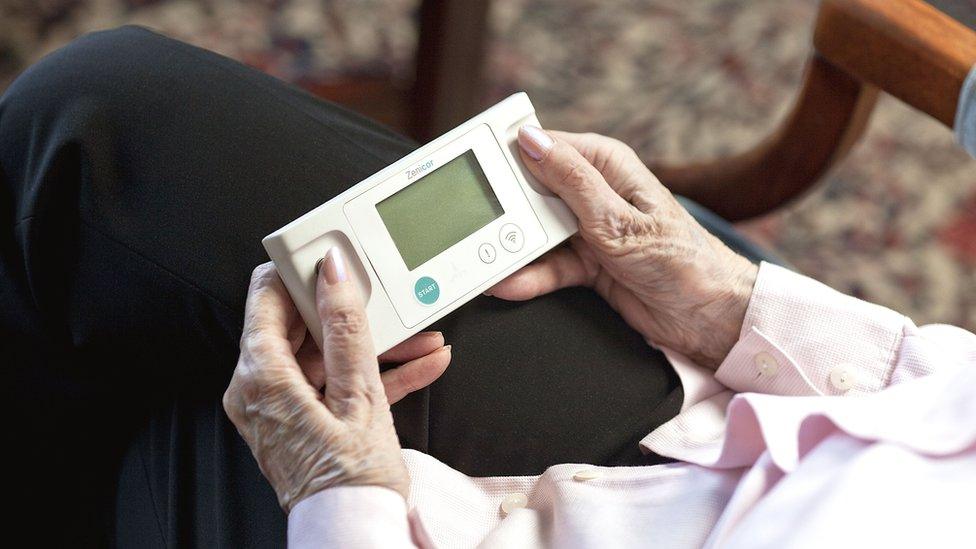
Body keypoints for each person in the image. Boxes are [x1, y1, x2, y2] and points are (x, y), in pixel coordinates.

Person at [3, 26, 974, 547]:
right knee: (91, 125)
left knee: (161, 348)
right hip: (747, 435)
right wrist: (731, 309)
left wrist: (339, 501)